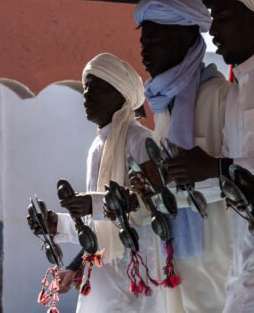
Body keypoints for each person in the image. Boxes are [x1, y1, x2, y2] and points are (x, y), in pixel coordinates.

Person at [163, 0, 254, 313]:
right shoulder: (237, 88)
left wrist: (213, 166)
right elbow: (229, 168)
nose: (213, 32)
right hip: (245, 243)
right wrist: (187, 174)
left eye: (222, 19)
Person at [29, 53, 162, 312]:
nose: (87, 95)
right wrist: (57, 223)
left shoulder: (141, 141)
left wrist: (93, 203)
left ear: (122, 96)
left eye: (98, 88)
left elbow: (153, 206)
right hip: (101, 276)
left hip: (136, 275)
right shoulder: (97, 147)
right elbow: (96, 225)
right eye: (86, 87)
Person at [134, 0, 232, 313]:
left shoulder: (219, 96)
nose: (145, 52)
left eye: (154, 42)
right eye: (143, 43)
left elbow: (246, 176)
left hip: (219, 252)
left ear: (186, 40)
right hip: (173, 254)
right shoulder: (165, 106)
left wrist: (177, 179)